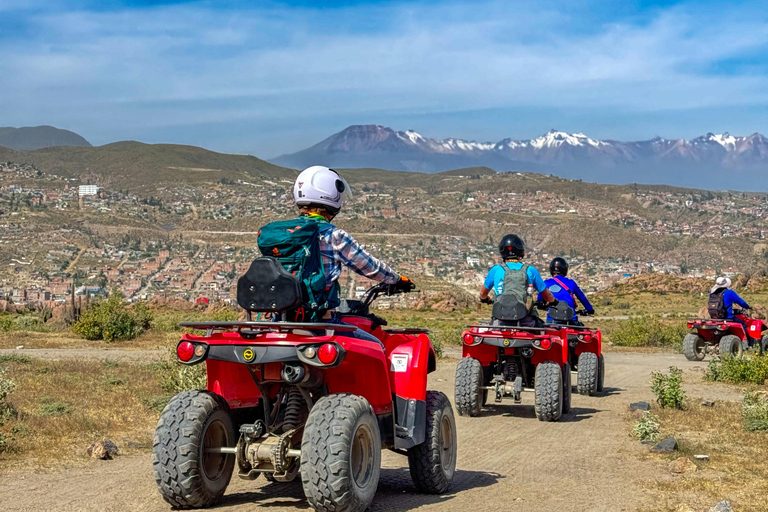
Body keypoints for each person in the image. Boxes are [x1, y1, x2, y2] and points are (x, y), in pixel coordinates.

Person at [290, 165, 412, 343]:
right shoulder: (333, 236)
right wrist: (397, 279)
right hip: (320, 323)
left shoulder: (282, 234)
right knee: (376, 346)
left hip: (280, 322)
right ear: (333, 194)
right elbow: (370, 267)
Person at [479, 234, 557, 327]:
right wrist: (553, 302)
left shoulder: (496, 270)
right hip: (526, 321)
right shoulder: (530, 270)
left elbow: (483, 294)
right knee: (544, 335)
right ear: (521, 251)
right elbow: (547, 295)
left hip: (500, 321)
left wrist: (485, 300)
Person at [545, 257, 594, 325]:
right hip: (571, 320)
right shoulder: (571, 283)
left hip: (552, 320)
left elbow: (540, 299)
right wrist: (589, 309)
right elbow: (582, 297)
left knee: (547, 331)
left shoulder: (546, 283)